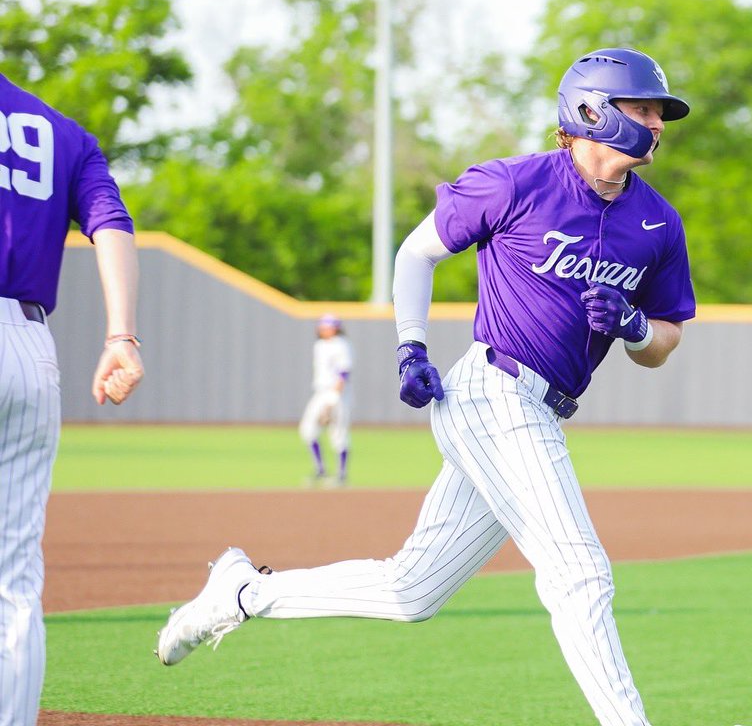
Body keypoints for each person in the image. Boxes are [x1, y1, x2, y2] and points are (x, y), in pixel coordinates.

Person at [155, 47, 695, 726]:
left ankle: (240, 594)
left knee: (413, 589)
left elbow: (667, 340)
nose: (657, 122)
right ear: (591, 109)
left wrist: (636, 327)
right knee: (580, 572)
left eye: (659, 112)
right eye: (641, 108)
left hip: (542, 411)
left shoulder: (657, 222)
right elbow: (417, 252)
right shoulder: (516, 184)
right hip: (492, 391)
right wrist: (410, 347)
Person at [0, 73, 144, 726]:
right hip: (28, 347)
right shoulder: (62, 132)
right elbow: (111, 223)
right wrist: (121, 335)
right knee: (12, 579)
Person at [297, 313, 352, 486]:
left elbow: (343, 373)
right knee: (307, 430)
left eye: (326, 326)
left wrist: (333, 399)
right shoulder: (319, 345)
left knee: (338, 434)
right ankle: (320, 470)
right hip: (320, 392)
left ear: (335, 328)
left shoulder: (342, 345)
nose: (322, 329)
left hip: (337, 393)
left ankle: (341, 475)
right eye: (322, 326)